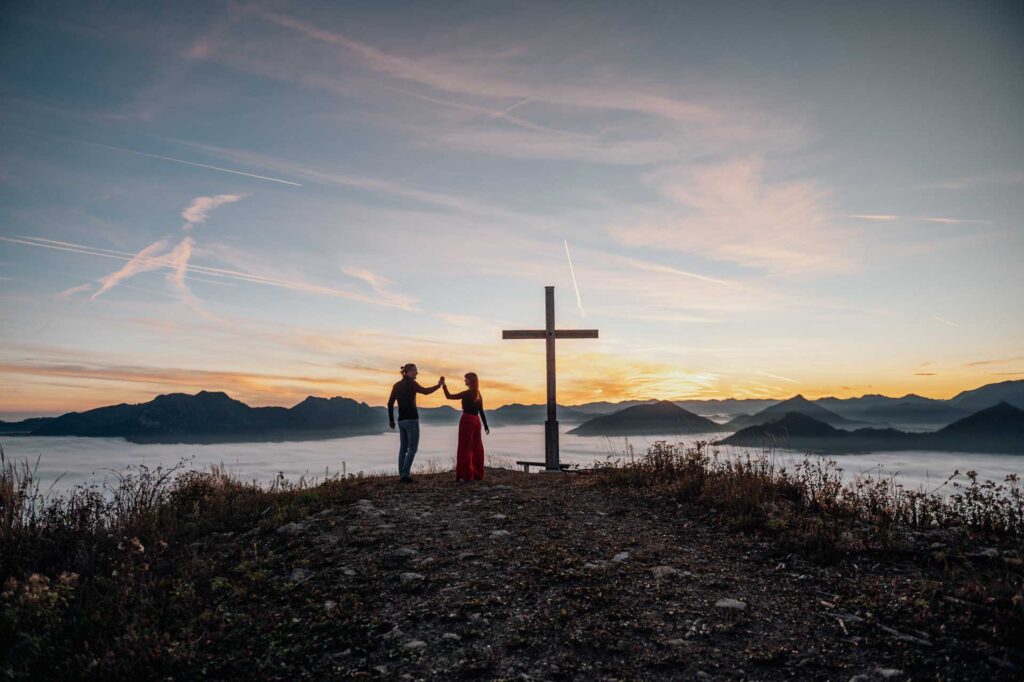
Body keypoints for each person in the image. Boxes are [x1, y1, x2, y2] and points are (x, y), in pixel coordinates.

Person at [387, 363, 443, 483]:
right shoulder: (412, 383)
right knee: (412, 448)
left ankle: (401, 473)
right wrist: (438, 386)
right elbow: (425, 391)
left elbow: (390, 403)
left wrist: (391, 420)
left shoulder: (396, 385)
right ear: (407, 372)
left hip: (401, 421)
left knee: (403, 449)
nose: (416, 373)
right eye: (414, 371)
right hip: (412, 419)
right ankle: (405, 475)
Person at [443, 372, 489, 481]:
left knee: (465, 448)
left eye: (466, 379)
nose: (464, 381)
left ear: (471, 381)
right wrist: (486, 425)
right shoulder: (478, 394)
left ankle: (467, 475)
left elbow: (449, 396)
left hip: (467, 420)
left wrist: (444, 385)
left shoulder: (466, 394)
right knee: (476, 447)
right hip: (476, 421)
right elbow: (481, 411)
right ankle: (477, 473)